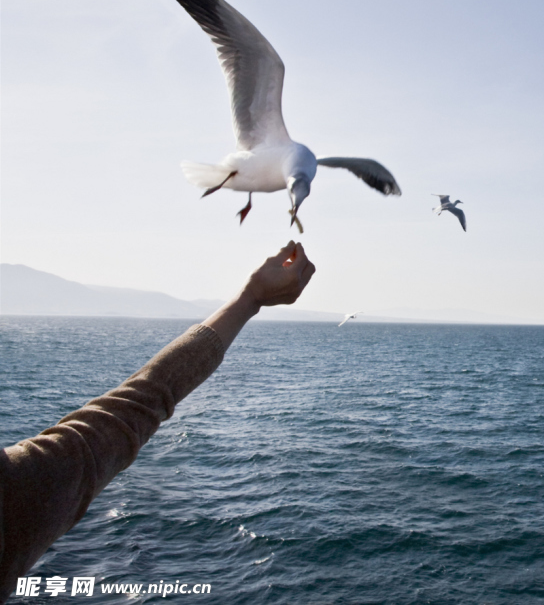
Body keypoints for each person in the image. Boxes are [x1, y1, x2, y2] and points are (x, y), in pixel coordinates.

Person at [0, 242, 315, 601]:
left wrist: (250, 297)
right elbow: (140, 400)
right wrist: (250, 298)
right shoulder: (12, 498)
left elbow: (135, 403)